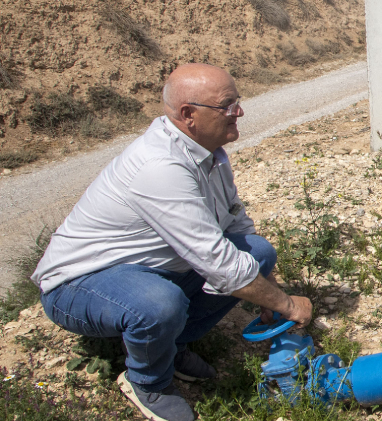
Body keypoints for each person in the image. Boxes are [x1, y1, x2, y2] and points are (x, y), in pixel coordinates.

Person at [31, 64, 312, 421]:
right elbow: (219, 264)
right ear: (187, 114)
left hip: (148, 268)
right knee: (160, 304)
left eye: (237, 102)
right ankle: (148, 382)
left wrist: (268, 290)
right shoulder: (159, 166)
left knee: (257, 252)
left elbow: (235, 222)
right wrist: (286, 304)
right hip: (80, 283)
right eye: (227, 105)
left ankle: (169, 346)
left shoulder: (208, 153)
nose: (238, 112)